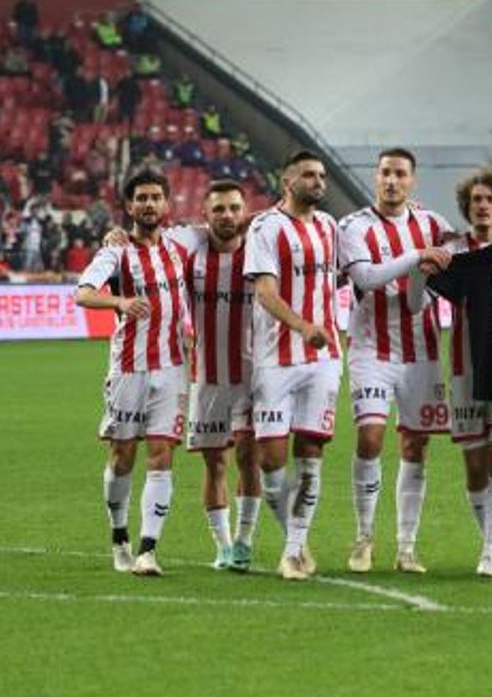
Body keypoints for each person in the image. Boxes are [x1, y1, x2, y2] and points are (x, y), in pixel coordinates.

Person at [337, 147, 454, 574]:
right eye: (385, 172)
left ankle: (407, 547)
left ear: (412, 180)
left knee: (415, 444)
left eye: (400, 174)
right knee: (370, 437)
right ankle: (364, 536)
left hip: (422, 349)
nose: (391, 181)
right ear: (376, 177)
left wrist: (426, 267)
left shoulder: (434, 224)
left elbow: (427, 291)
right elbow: (366, 277)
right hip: (371, 347)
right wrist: (417, 256)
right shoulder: (353, 226)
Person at [74, 171, 190, 576]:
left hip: (172, 368)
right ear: (128, 206)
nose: (149, 204)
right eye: (141, 198)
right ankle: (119, 536)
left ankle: (147, 550)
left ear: (167, 204)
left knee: (162, 453)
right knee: (123, 455)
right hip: (128, 368)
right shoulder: (116, 252)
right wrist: (120, 303)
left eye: (156, 197)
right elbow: (83, 294)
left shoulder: (180, 244)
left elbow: (228, 225)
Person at [243, 151, 342, 581]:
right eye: (309, 175)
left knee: (311, 453)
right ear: (288, 182)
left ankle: (293, 550)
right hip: (275, 359)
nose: (318, 181)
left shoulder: (330, 226)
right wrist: (303, 326)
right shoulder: (266, 227)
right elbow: (265, 292)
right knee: (270, 462)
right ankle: (295, 540)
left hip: (324, 358)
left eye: (321, 175)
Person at [422, 168, 492, 577]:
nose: (482, 206)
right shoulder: (453, 252)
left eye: (490, 200)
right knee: (475, 468)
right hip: (465, 368)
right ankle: (490, 541)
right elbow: (420, 292)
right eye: (476, 200)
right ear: (467, 207)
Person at [176, 181, 262, 571]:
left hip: (252, 375)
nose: (227, 215)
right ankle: (223, 545)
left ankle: (244, 540)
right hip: (207, 376)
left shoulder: (259, 253)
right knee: (215, 464)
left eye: (234, 208)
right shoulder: (191, 256)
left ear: (245, 211)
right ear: (205, 216)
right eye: (219, 209)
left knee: (249, 457)